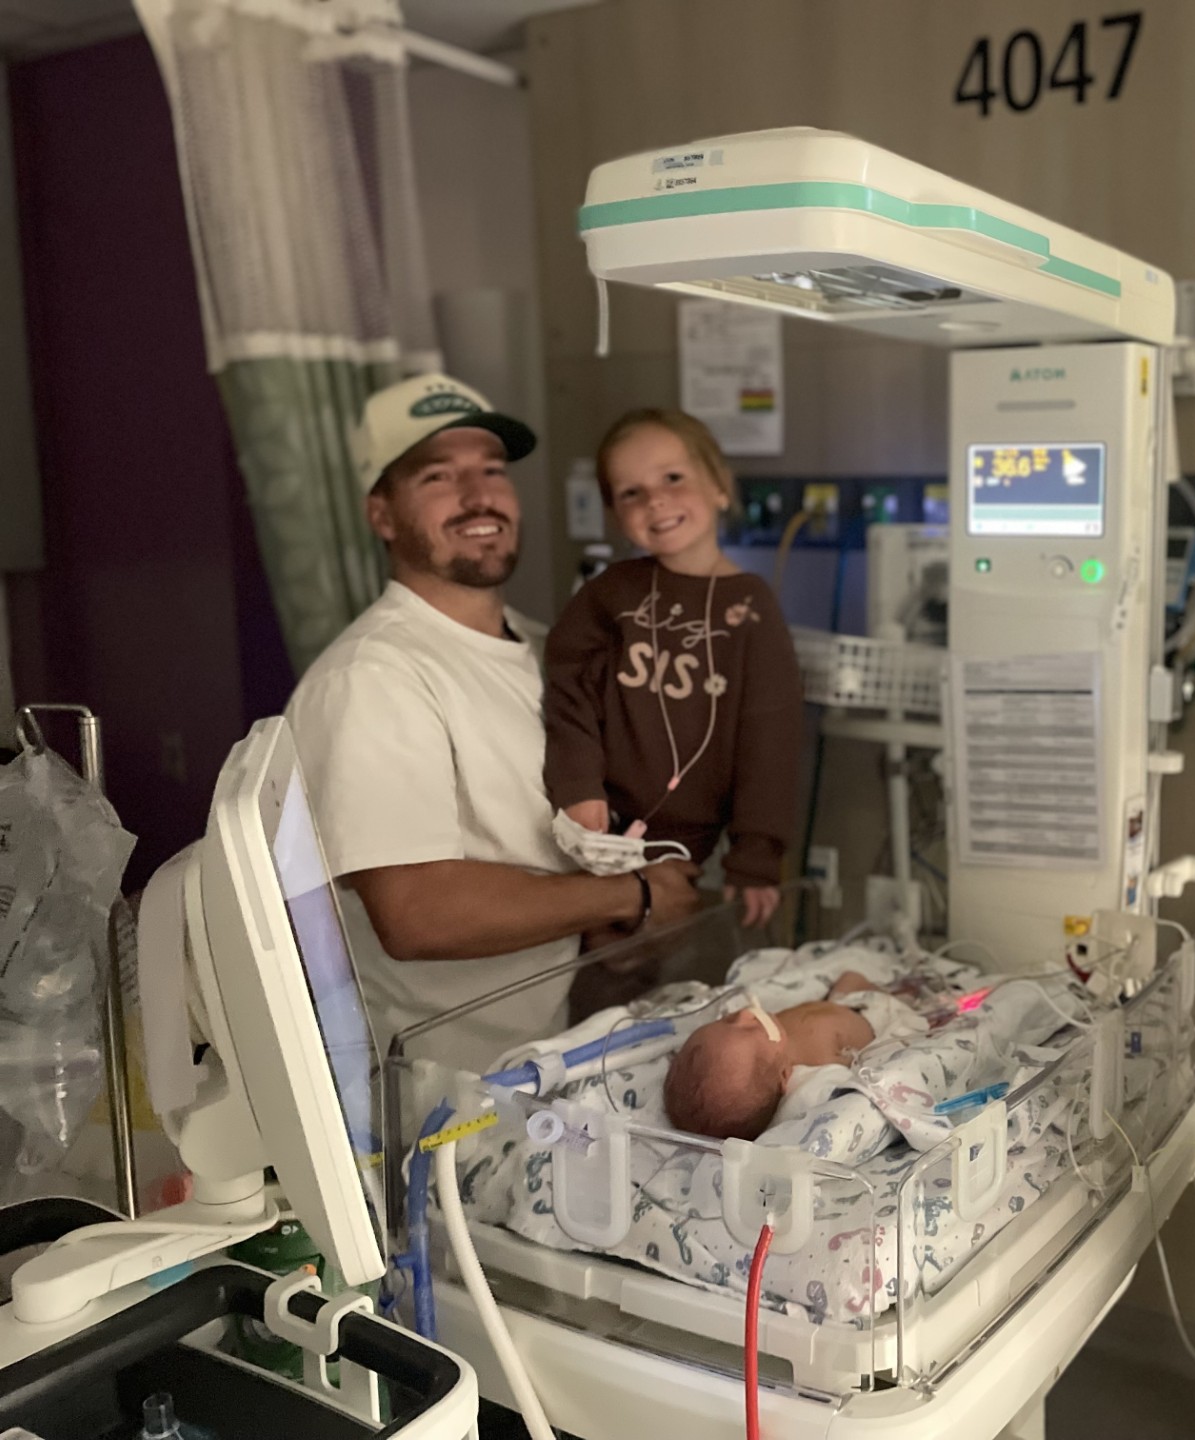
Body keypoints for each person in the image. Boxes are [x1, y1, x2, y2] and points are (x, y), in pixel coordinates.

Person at [286, 374, 701, 1073]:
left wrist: (632, 914)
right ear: (382, 515)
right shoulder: (373, 677)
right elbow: (416, 912)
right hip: (439, 1095)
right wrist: (632, 896)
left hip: (549, 1058)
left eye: (491, 470)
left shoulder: (550, 651)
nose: (478, 496)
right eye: (439, 476)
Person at [543, 409, 804, 1015]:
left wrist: (757, 855)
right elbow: (566, 687)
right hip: (590, 833)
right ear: (616, 514)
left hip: (682, 853)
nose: (655, 501)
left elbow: (768, 735)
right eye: (631, 493)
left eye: (672, 479)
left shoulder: (751, 608)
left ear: (718, 485)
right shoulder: (611, 595)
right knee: (583, 985)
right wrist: (577, 784)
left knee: (653, 988)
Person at [663, 972, 927, 1140]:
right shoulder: (819, 1065)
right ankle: (913, 1002)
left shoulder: (770, 1041)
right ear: (784, 1076)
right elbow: (860, 1071)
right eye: (749, 1029)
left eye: (727, 1020)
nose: (745, 1014)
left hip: (841, 1002)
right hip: (880, 1020)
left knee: (849, 978)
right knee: (916, 1029)